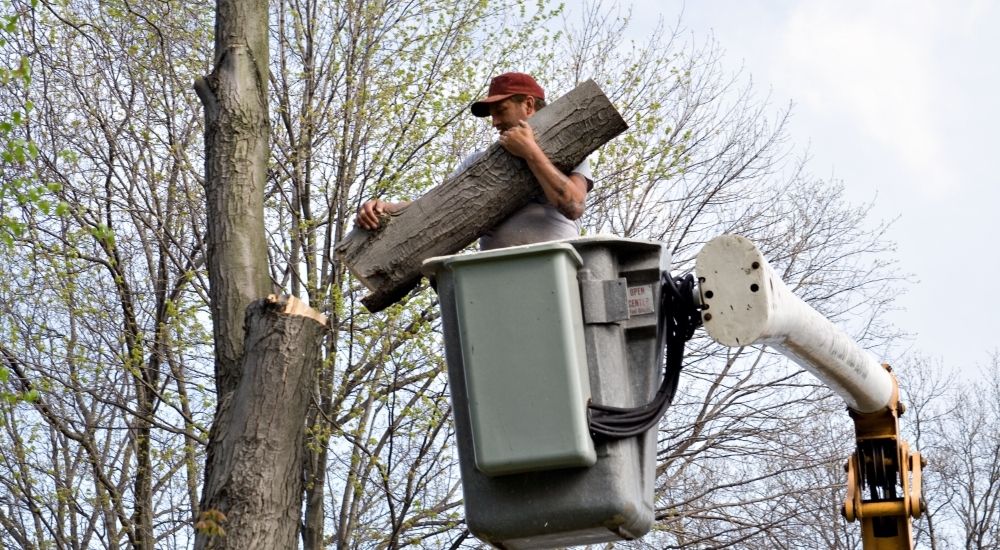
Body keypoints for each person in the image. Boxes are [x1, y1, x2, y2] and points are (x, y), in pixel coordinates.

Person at [355, 72, 593, 250]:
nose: (494, 122)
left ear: (528, 105)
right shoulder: (477, 164)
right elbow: (436, 205)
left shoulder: (569, 153)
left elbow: (573, 205)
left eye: (501, 110)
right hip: (494, 280)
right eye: (492, 115)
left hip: (557, 270)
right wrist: (388, 209)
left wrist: (530, 152)